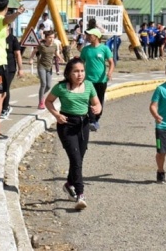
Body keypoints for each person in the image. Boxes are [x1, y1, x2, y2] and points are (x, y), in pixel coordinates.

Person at [44, 58, 101, 210]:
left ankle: (69, 184)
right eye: (76, 71)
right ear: (69, 73)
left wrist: (97, 109)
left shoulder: (89, 86)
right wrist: (56, 115)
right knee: (75, 160)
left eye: (82, 71)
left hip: (83, 125)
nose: (79, 74)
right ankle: (80, 194)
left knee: (79, 159)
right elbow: (48, 101)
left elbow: (97, 103)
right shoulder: (61, 87)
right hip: (66, 125)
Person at [79, 28, 114, 131]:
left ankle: (96, 118)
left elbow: (111, 62)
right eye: (88, 35)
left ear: (97, 36)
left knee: (99, 100)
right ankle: (92, 120)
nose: (88, 37)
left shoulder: (104, 49)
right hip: (88, 80)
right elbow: (81, 63)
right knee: (89, 101)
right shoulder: (86, 49)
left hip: (101, 80)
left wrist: (109, 72)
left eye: (90, 35)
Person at [36, 30, 65, 109]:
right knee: (43, 84)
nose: (51, 39)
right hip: (41, 66)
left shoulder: (55, 45)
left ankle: (42, 96)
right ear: (46, 38)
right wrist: (31, 59)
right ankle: (41, 102)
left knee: (48, 86)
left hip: (49, 67)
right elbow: (35, 51)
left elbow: (56, 53)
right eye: (49, 37)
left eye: (53, 37)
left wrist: (61, 59)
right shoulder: (41, 45)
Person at [2, 24, 24, 120]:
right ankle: (1, 106)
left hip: (10, 67)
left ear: (8, 27)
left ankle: (5, 108)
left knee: (6, 87)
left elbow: (18, 54)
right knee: (0, 88)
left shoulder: (13, 39)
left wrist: (21, 69)